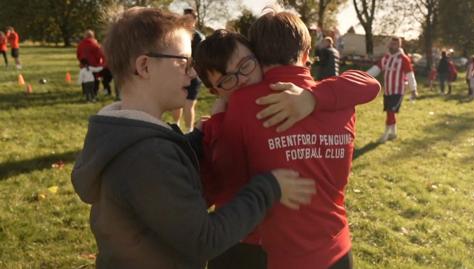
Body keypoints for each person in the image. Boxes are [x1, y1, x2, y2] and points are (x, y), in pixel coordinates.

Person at [71, 7, 316, 269]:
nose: (192, 74)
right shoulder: (147, 156)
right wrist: (270, 187)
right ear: (144, 66)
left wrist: (197, 139)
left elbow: (167, 189)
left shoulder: (128, 136)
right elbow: (205, 239)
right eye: (184, 62)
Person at [195, 9, 380, 269]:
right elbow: (370, 84)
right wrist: (313, 97)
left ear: (257, 56)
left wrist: (214, 127)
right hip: (337, 248)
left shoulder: (242, 104)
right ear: (306, 55)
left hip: (273, 253)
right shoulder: (342, 100)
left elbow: (223, 184)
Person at [367, 37, 418, 143]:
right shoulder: (386, 58)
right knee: (389, 112)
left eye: (394, 44)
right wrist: (364, 77)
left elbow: (410, 74)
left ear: (399, 46)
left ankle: (385, 135)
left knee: (390, 111)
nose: (391, 46)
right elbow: (376, 69)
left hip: (398, 91)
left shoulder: (403, 59)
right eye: (391, 44)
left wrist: (414, 89)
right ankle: (393, 133)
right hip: (387, 91)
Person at [172, 8, 204, 132]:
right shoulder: (177, 35)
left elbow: (201, 58)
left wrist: (194, 70)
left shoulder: (199, 38)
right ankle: (176, 127)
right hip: (178, 74)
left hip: (193, 76)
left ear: (194, 21)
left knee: (188, 105)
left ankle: (190, 131)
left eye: (189, 19)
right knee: (176, 103)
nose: (186, 21)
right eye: (184, 18)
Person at [76, 30, 107, 97]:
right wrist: (101, 63)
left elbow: (78, 54)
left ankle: (85, 92)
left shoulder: (80, 44)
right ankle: (94, 92)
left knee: (84, 78)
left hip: (84, 64)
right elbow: (100, 54)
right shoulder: (95, 44)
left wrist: (81, 61)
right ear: (93, 36)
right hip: (94, 64)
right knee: (95, 78)